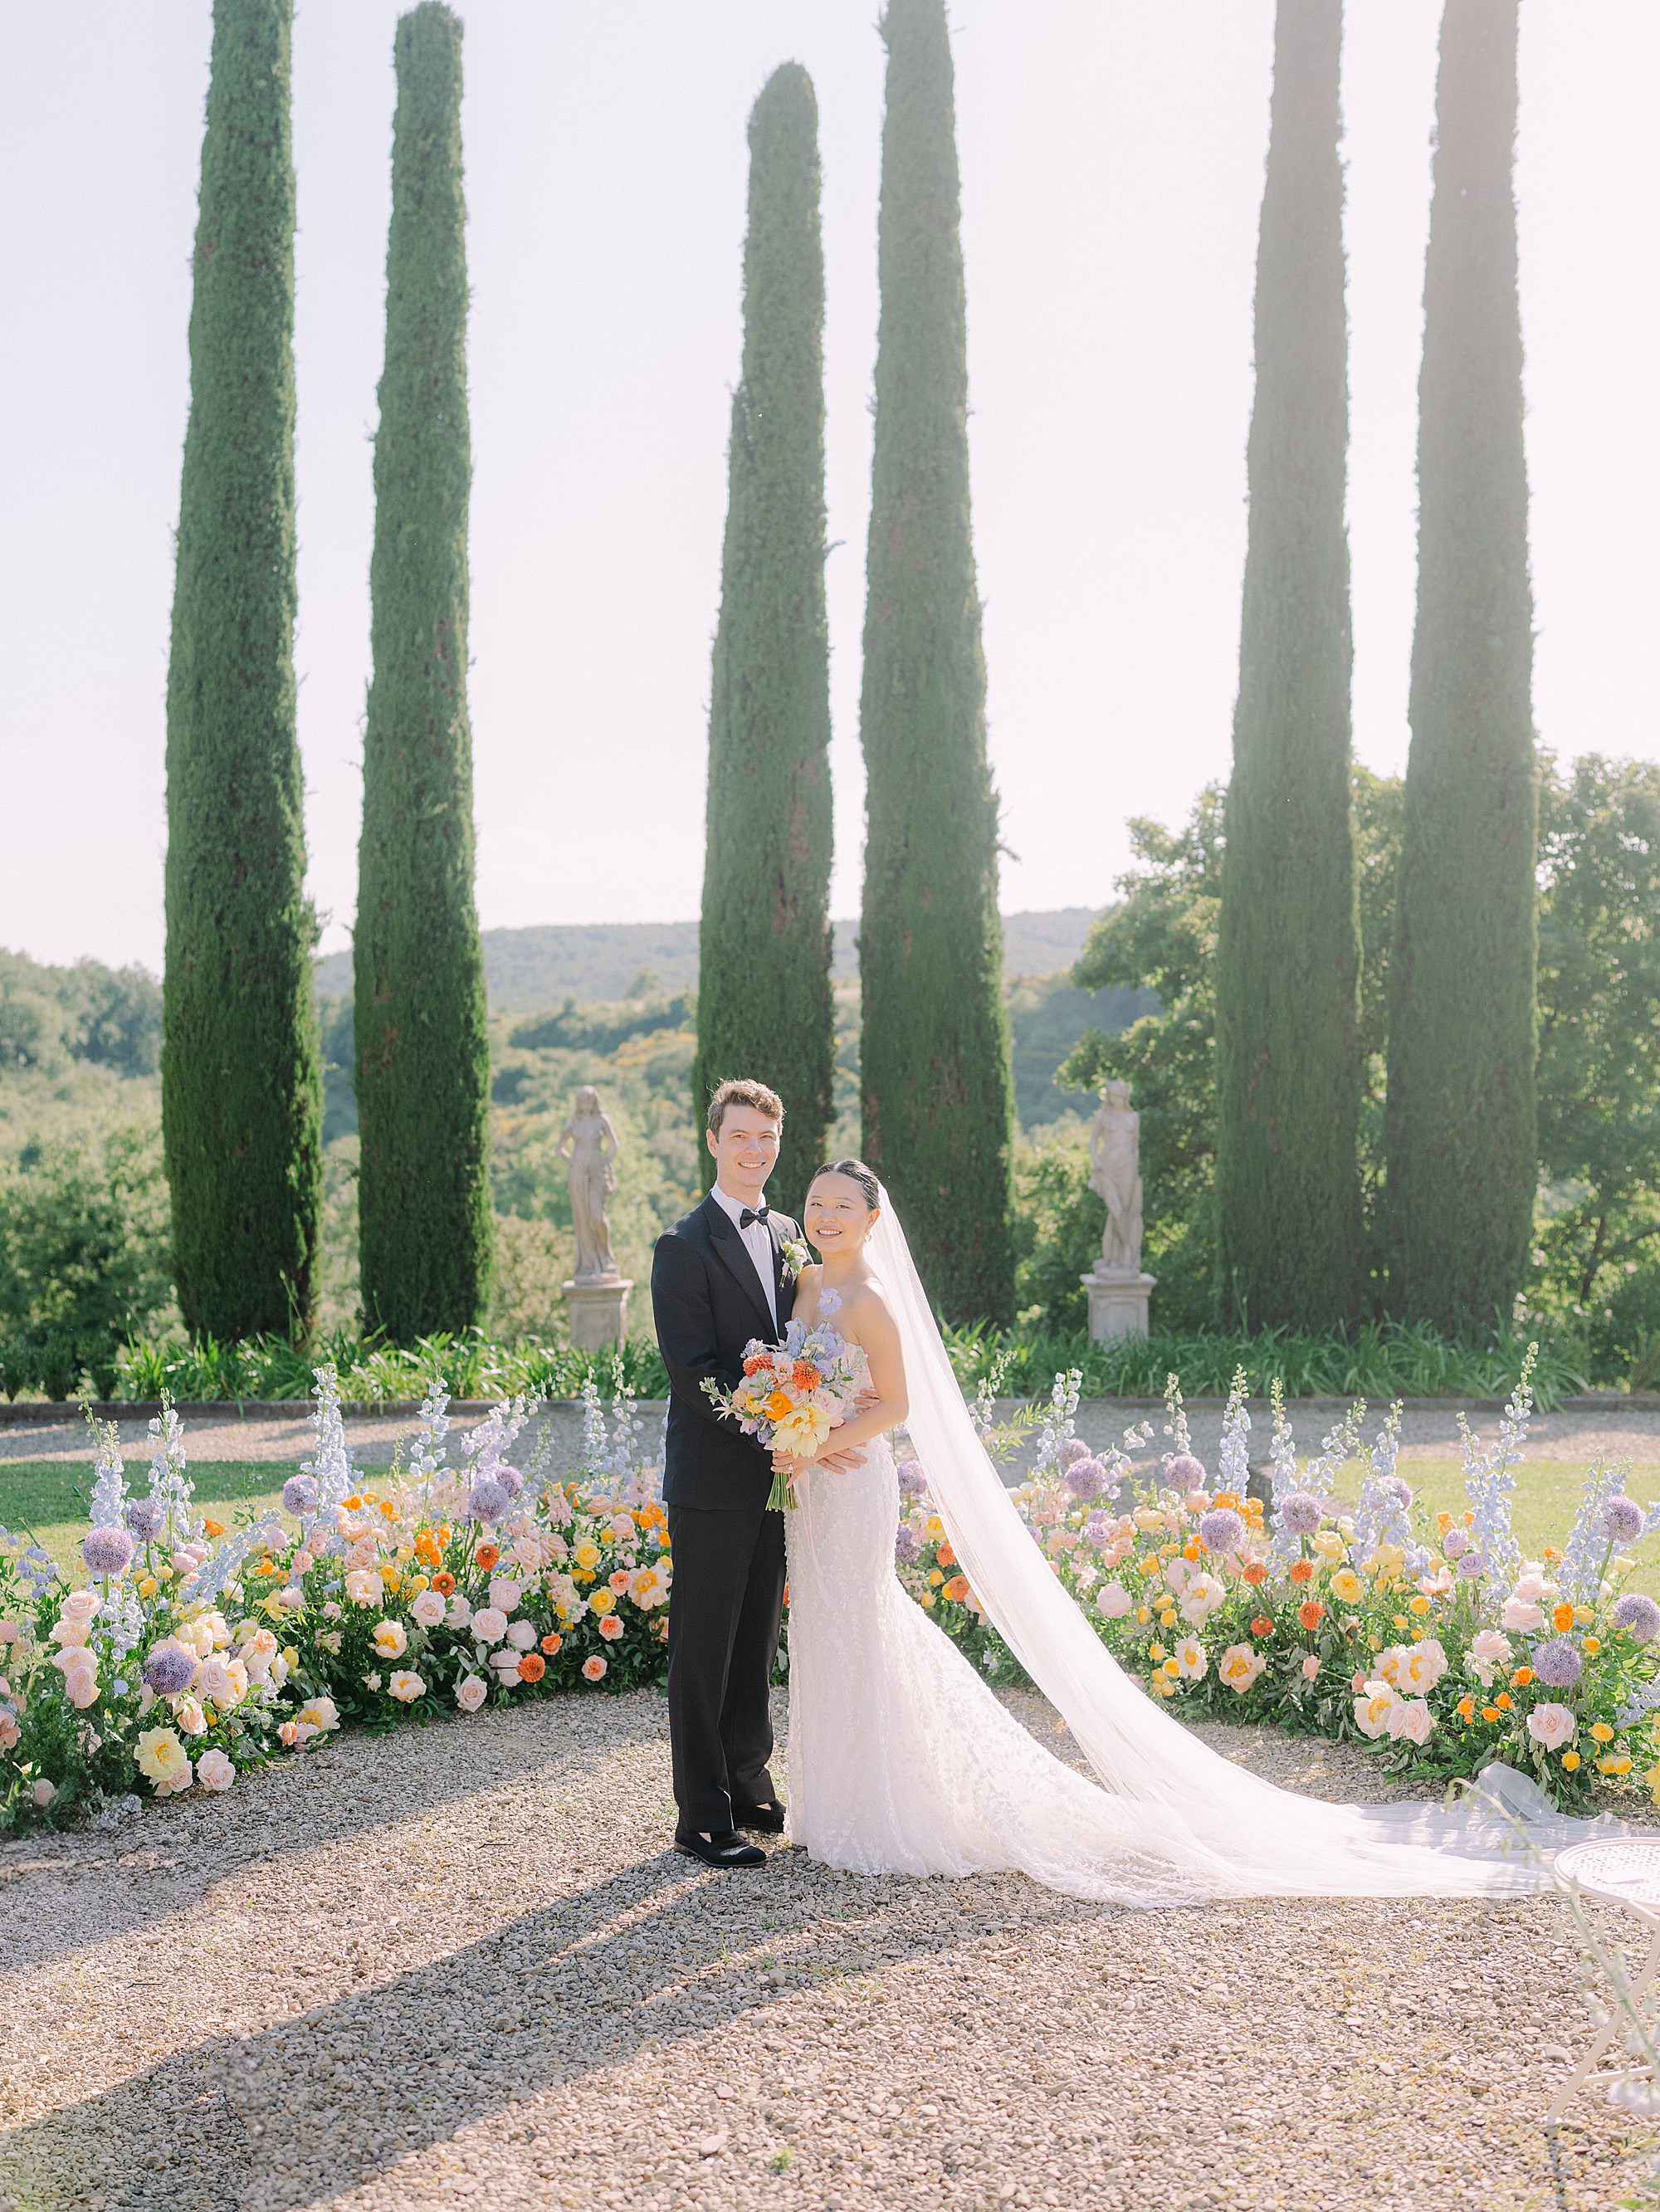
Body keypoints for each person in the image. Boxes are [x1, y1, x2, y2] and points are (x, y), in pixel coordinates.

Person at [778, 1159, 1606, 1902]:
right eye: (815, 1202)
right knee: (823, 1629)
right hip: (809, 1489)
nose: (824, 1214)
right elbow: (793, 1376)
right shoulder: (808, 1287)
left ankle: (884, 1811)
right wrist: (788, 1432)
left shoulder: (875, 1303)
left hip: (852, 1485)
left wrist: (818, 1437)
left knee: (864, 1623)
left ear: (873, 1217)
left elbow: (897, 1405)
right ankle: (830, 1804)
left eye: (841, 1203)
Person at [651, 1079, 804, 1870]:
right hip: (714, 1478)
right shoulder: (681, 1246)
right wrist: (773, 1426)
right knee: (704, 1646)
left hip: (781, 1477)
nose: (755, 1149)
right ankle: (701, 1816)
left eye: (766, 1137)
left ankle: (750, 1785)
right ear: (713, 1141)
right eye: (740, 1135)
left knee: (756, 1642)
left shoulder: (789, 1233)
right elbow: (696, 1373)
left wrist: (809, 1425)